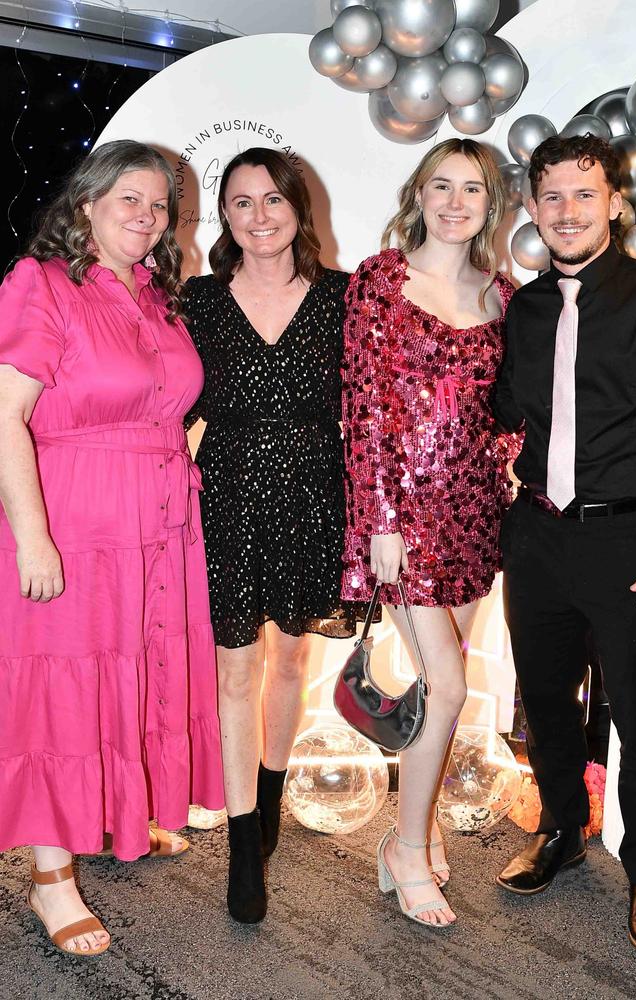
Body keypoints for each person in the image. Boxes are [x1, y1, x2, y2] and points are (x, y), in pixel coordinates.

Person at [0, 140, 223, 957]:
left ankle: (117, 814)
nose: (146, 215)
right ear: (86, 204)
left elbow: (169, 406)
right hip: (76, 516)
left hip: (160, 519)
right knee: (66, 686)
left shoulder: (157, 298)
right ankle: (51, 877)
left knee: (137, 673)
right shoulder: (43, 284)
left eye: (159, 204)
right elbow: (3, 419)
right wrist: (33, 536)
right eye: (128, 198)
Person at [341, 138, 514, 927]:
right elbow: (365, 405)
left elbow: (506, 411)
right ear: (419, 192)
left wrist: (511, 464)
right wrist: (379, 519)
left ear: (490, 202)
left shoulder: (504, 294)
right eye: (440, 185)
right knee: (447, 686)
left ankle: (419, 823)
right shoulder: (381, 280)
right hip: (402, 520)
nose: (454, 202)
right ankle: (405, 849)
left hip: (478, 513)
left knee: (437, 688)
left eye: (471, 189)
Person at [183, 147, 358, 924]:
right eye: (241, 202)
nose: (258, 216)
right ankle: (241, 837)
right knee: (233, 673)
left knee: (290, 658)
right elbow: (167, 404)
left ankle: (273, 793)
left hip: (315, 495)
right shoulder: (198, 301)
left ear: (298, 209)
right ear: (225, 216)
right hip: (224, 495)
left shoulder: (344, 299)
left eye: (271, 200)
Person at [493, 133, 636, 955]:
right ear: (532, 209)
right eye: (550, 195)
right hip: (539, 533)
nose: (566, 210)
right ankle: (561, 829)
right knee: (545, 698)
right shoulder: (524, 308)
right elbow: (507, 414)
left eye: (584, 194)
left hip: (630, 535)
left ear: (615, 204)